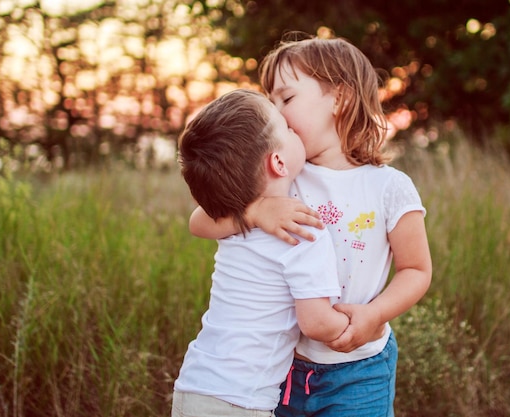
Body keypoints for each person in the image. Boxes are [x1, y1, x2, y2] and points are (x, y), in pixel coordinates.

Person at [189, 34, 433, 417]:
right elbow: (200, 221)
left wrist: (375, 314)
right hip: (286, 366)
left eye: (286, 98)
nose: (276, 113)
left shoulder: (389, 187)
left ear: (340, 98)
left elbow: (416, 269)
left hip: (360, 368)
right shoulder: (282, 179)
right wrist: (256, 212)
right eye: (270, 101)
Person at [172, 88, 352, 417]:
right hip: (240, 402)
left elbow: (198, 221)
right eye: (287, 128)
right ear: (279, 162)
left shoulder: (233, 220)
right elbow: (315, 323)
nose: (294, 128)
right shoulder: (301, 227)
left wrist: (254, 212)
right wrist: (363, 322)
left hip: (193, 388)